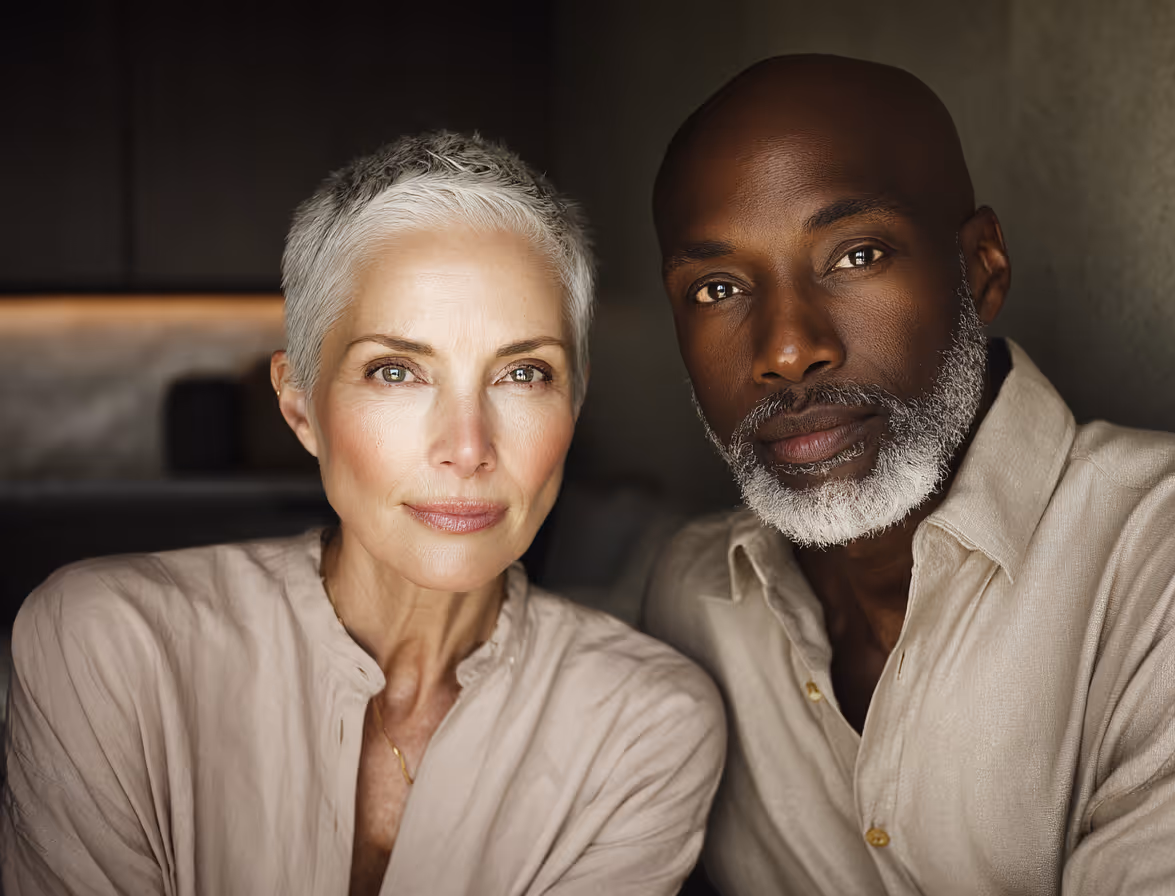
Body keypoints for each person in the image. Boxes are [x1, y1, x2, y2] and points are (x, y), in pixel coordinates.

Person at [644, 54, 1175, 895]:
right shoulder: (693, 604)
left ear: (980, 269)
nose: (788, 351)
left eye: (856, 255)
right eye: (716, 288)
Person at [2, 131, 725, 895]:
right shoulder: (109, 644)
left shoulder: (646, 725)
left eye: (522, 373)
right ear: (300, 407)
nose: (468, 448)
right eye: (396, 371)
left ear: (572, 406)